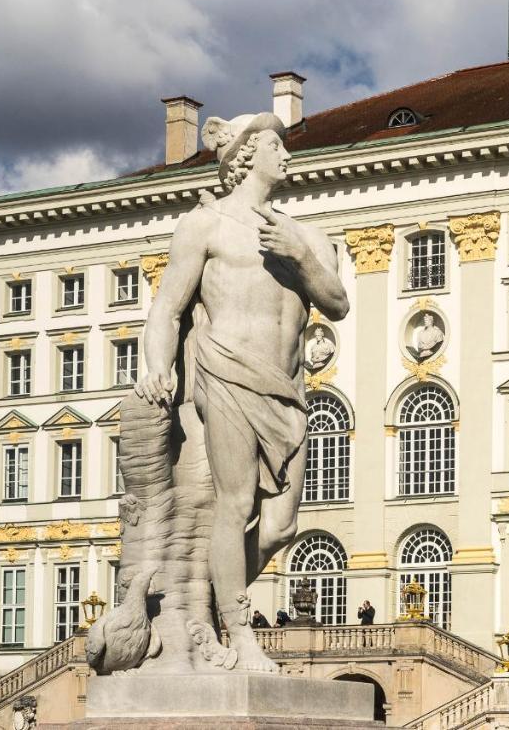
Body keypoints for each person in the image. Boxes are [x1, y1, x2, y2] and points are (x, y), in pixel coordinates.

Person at [136, 111, 349, 672]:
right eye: (276, 144)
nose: (287, 154)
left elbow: (338, 304)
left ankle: (203, 600)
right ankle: (239, 632)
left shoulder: (304, 234)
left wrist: (299, 256)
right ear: (245, 156)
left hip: (287, 388)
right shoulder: (204, 226)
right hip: (227, 372)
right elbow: (168, 306)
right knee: (234, 505)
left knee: (281, 526)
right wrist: (157, 365)